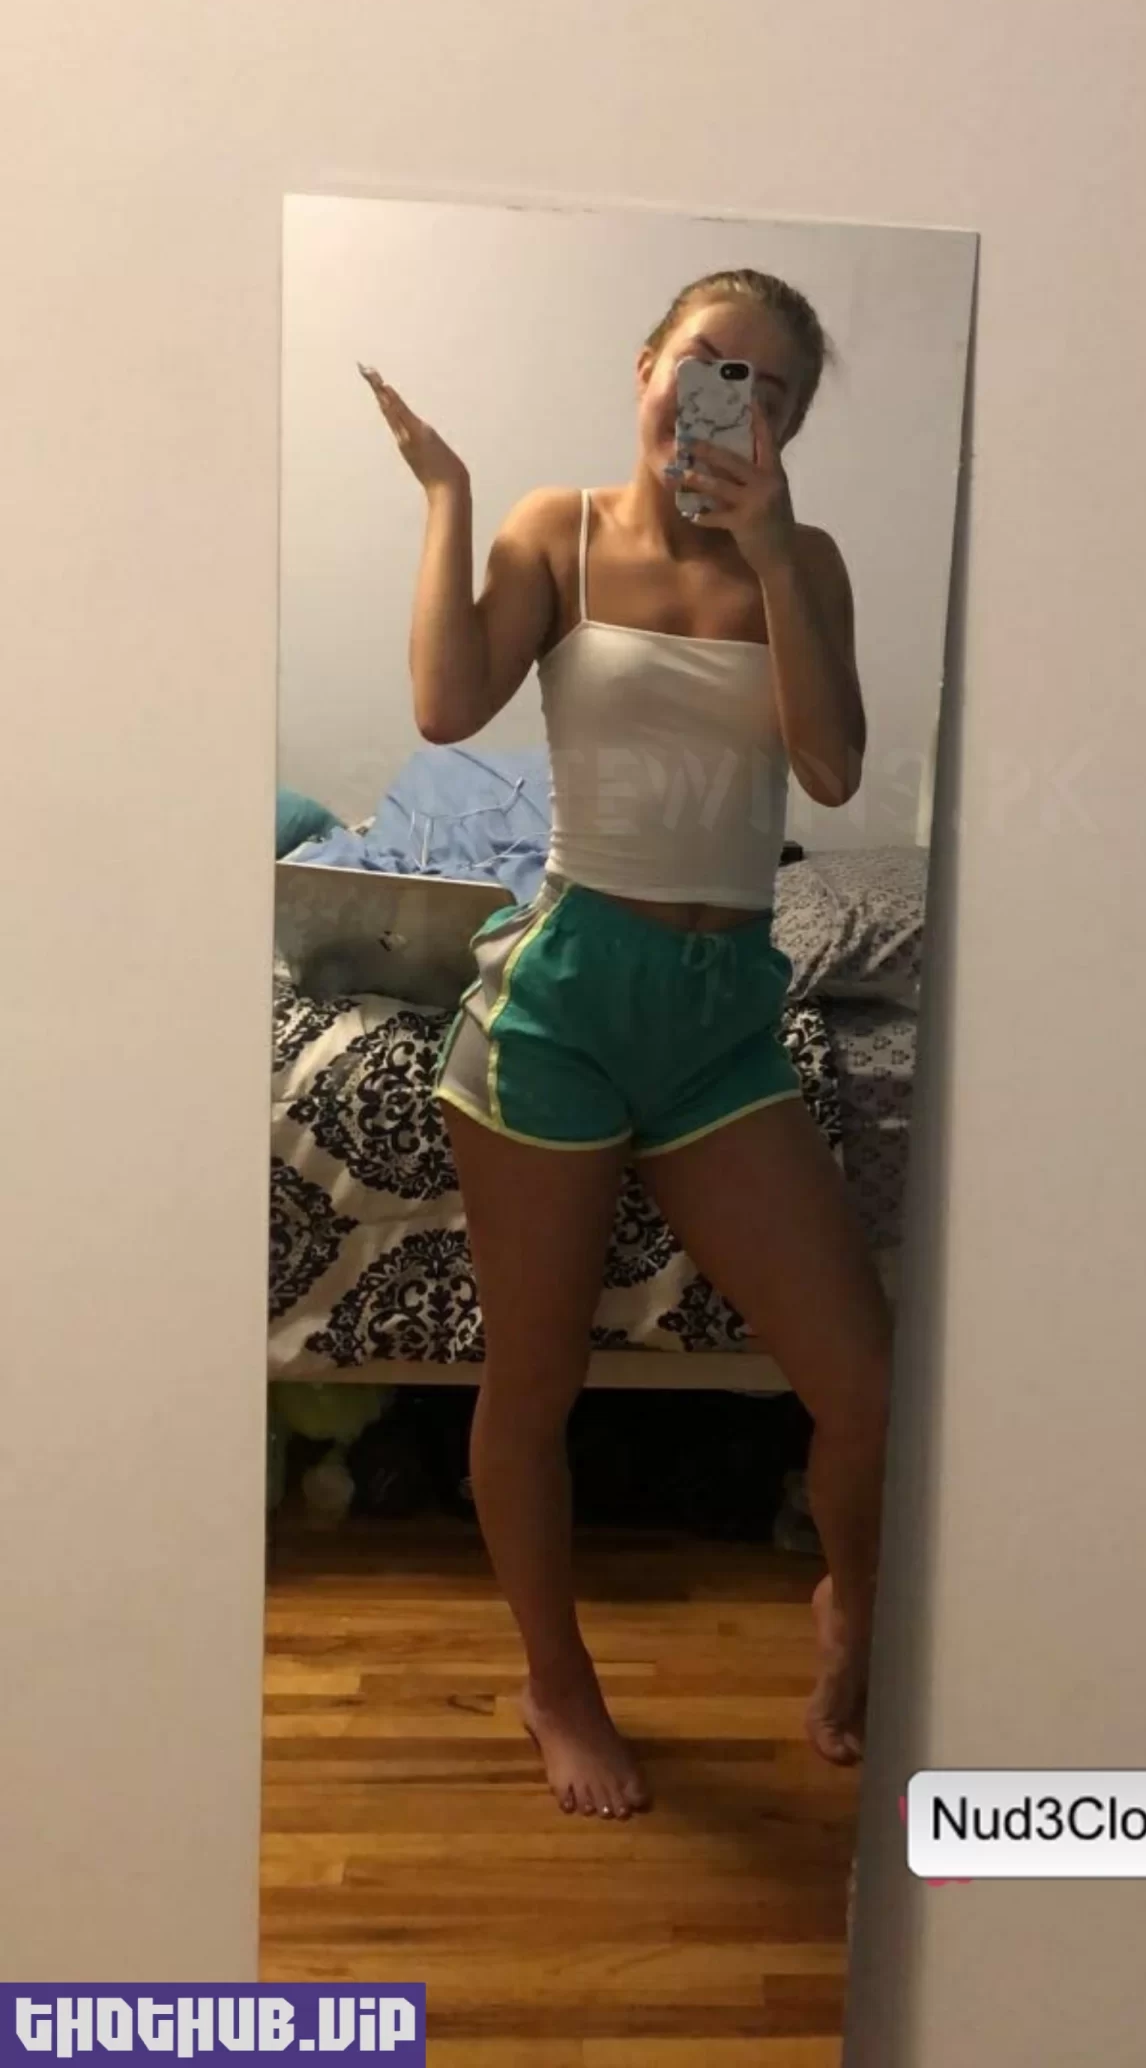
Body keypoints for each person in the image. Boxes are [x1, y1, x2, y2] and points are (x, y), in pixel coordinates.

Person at [364, 266, 893, 1823]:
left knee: (863, 1388)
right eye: (708, 363)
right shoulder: (561, 531)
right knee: (533, 1386)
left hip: (724, 1021)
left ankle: (850, 1604)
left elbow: (832, 772)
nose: (731, 399)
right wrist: (448, 497)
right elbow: (446, 707)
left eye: (769, 388)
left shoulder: (807, 560)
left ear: (788, 426)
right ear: (647, 368)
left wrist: (772, 554)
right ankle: (557, 1682)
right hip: (566, 1006)